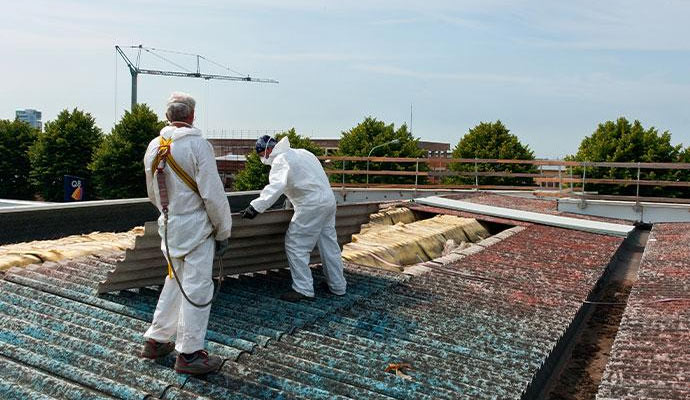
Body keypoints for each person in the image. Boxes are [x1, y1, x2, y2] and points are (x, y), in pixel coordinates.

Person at [140, 92, 232, 375]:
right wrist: (223, 230)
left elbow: (153, 194)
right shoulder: (198, 146)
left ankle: (156, 340)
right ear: (191, 116)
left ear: (168, 116)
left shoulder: (154, 147)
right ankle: (190, 354)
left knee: (175, 282)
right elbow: (213, 195)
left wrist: (172, 215)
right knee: (197, 288)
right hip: (196, 230)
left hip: (170, 227)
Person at [241, 135, 347, 302]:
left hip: (311, 205)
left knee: (296, 244)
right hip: (328, 201)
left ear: (267, 150)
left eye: (261, 154)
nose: (262, 158)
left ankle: (303, 289)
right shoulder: (303, 153)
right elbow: (306, 179)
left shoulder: (280, 160)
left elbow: (276, 186)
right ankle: (338, 286)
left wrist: (256, 207)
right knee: (329, 244)